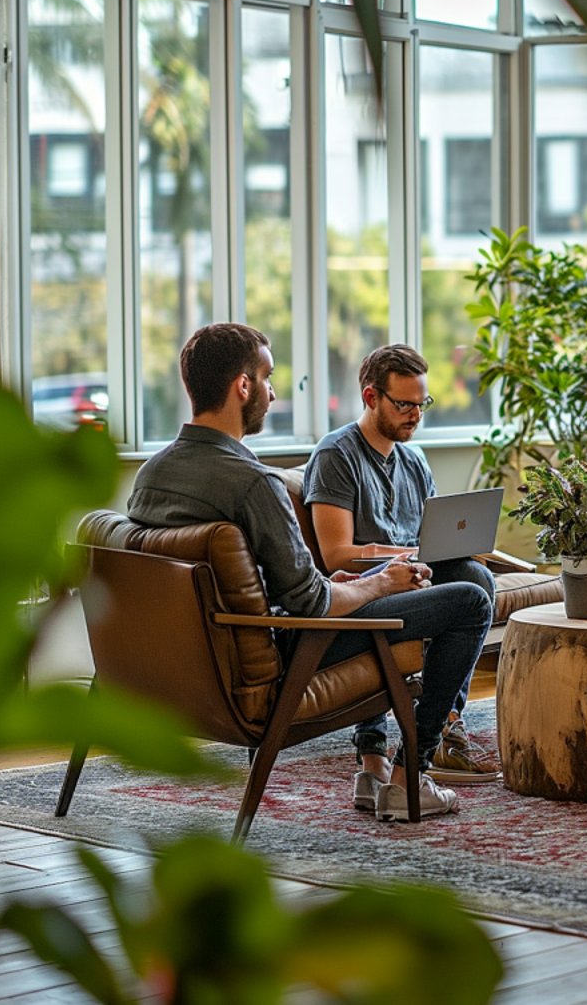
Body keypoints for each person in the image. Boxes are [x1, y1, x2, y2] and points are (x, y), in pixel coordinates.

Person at [127, 324, 493, 822]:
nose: (275, 391)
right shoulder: (253, 483)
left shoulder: (151, 475)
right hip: (290, 652)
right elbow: (312, 606)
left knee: (454, 580)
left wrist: (339, 583)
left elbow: (299, 587)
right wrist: (380, 580)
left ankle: (380, 767)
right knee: (470, 600)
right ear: (243, 386)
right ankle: (411, 778)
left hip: (190, 667)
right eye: (269, 377)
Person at [304, 343, 501, 786]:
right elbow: (336, 554)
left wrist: (448, 549)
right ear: (371, 398)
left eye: (422, 404)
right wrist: (404, 557)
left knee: (475, 576)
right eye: (405, 405)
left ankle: (449, 721)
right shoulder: (337, 455)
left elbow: (431, 538)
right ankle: (376, 748)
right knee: (449, 592)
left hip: (414, 576)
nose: (416, 415)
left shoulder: (414, 460)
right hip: (365, 585)